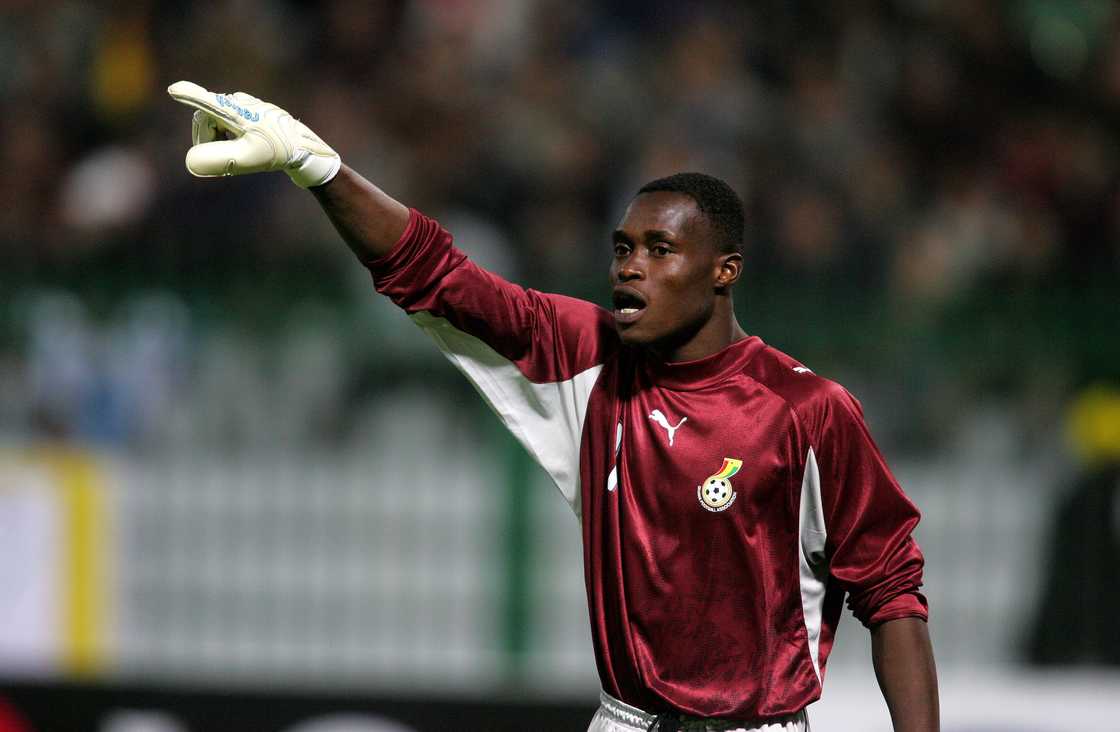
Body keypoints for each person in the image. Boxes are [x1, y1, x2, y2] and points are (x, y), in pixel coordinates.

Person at [168, 81, 939, 732]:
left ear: (724, 270)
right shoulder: (590, 358)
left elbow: (890, 593)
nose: (630, 269)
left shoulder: (806, 409)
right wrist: (317, 167)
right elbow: (438, 275)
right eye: (622, 249)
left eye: (659, 251)